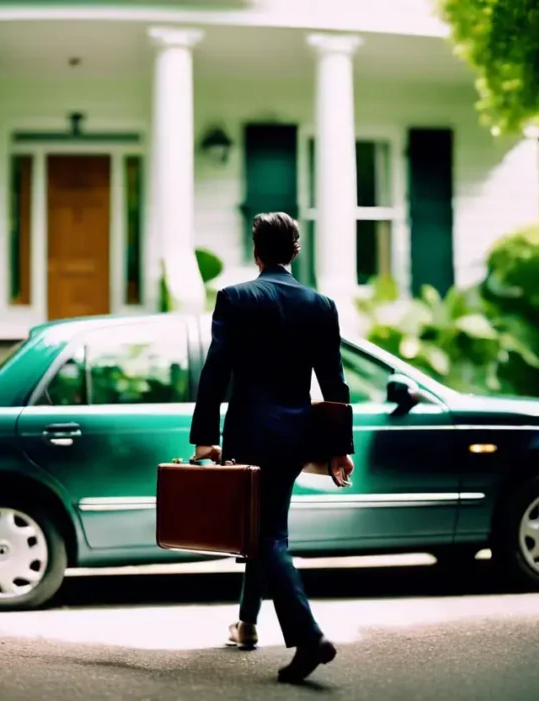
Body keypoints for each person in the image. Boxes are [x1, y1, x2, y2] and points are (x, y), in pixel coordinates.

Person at [189, 211, 355, 684]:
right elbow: (334, 383)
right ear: (295, 252)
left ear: (256, 250)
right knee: (263, 528)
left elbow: (215, 372)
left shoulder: (236, 298)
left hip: (247, 433)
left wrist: (205, 439)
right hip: (295, 435)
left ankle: (309, 636)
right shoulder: (320, 304)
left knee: (266, 536)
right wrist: (340, 447)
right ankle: (247, 624)